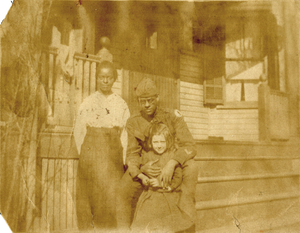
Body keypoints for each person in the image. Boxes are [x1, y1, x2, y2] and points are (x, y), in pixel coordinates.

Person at [116, 77, 198, 232]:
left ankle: (187, 223)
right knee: (122, 190)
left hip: (170, 163)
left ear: (157, 98)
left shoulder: (172, 116)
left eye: (150, 100)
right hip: (147, 167)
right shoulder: (133, 121)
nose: (146, 105)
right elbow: (132, 154)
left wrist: (172, 163)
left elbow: (190, 146)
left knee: (192, 167)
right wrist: (140, 170)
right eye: (142, 101)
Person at [74, 61, 130, 231]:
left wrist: (124, 158)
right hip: (90, 153)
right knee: (88, 196)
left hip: (113, 155)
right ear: (97, 78)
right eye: (102, 77)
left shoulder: (121, 103)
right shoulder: (88, 101)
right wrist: (84, 155)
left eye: (109, 77)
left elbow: (125, 134)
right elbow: (79, 131)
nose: (105, 81)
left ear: (114, 79)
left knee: (110, 197)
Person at [131, 122, 194, 232]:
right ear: (151, 142)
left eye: (162, 141)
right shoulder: (148, 155)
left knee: (163, 217)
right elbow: (141, 169)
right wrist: (144, 179)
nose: (159, 145)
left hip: (167, 194)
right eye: (155, 142)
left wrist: (163, 184)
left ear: (168, 141)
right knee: (146, 215)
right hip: (150, 194)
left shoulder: (171, 156)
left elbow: (178, 177)